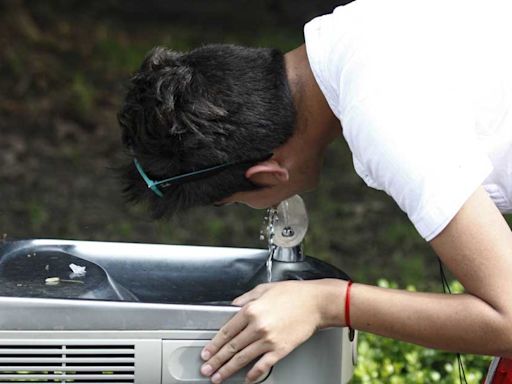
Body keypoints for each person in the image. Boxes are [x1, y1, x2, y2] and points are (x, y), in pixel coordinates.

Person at [117, 0, 512, 383]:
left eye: (235, 200)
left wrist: (328, 303)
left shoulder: (389, 122)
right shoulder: (352, 30)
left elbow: (508, 319)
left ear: (269, 174)